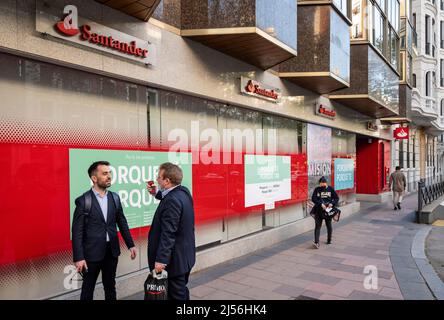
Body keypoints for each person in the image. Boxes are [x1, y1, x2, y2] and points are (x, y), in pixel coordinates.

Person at [72, 161, 137, 300]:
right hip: (91, 254)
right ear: (94, 178)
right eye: (105, 173)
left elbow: (122, 222)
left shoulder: (114, 198)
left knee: (110, 287)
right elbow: (77, 231)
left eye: (109, 173)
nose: (109, 176)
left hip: (111, 252)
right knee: (88, 289)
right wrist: (79, 257)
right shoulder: (84, 201)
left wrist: (130, 244)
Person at [146, 162, 196, 300]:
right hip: (185, 256)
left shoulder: (172, 201)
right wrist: (156, 193)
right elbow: (170, 197)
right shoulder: (183, 192)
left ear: (167, 181)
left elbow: (169, 233)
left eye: (159, 177)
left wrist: (161, 260)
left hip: (174, 262)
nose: (156, 179)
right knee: (181, 291)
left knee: (176, 295)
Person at [311, 176, 339, 249]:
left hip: (328, 211)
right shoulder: (317, 189)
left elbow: (336, 198)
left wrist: (332, 203)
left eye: (323, 184)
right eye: (320, 184)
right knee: (317, 226)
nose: (321, 186)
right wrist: (320, 204)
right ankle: (316, 242)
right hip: (318, 210)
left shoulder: (330, 189)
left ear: (326, 183)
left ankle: (329, 239)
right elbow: (313, 198)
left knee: (328, 225)